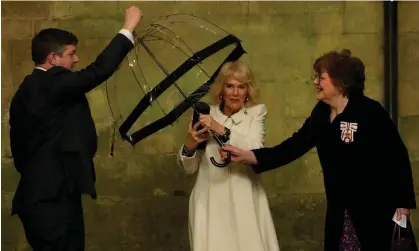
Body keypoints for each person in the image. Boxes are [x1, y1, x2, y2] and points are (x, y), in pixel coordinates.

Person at [221, 50, 416, 251]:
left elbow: (397, 156)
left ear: (340, 82)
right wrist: (250, 156)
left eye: (321, 77)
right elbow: (293, 146)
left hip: (375, 208)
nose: (315, 82)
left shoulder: (370, 112)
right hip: (340, 212)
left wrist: (403, 202)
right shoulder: (322, 113)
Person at [9, 6, 142, 251]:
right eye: (71, 54)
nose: (76, 59)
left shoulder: (31, 88)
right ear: (53, 59)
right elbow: (97, 72)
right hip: (49, 201)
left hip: (54, 193)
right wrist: (127, 29)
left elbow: (20, 147)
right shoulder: (49, 82)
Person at [177, 61, 280, 251]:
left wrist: (221, 129)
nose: (235, 92)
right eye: (230, 86)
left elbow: (255, 148)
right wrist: (189, 145)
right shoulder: (206, 114)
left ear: (248, 91)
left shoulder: (256, 114)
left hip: (246, 199)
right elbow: (188, 168)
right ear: (221, 90)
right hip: (209, 201)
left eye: (241, 87)